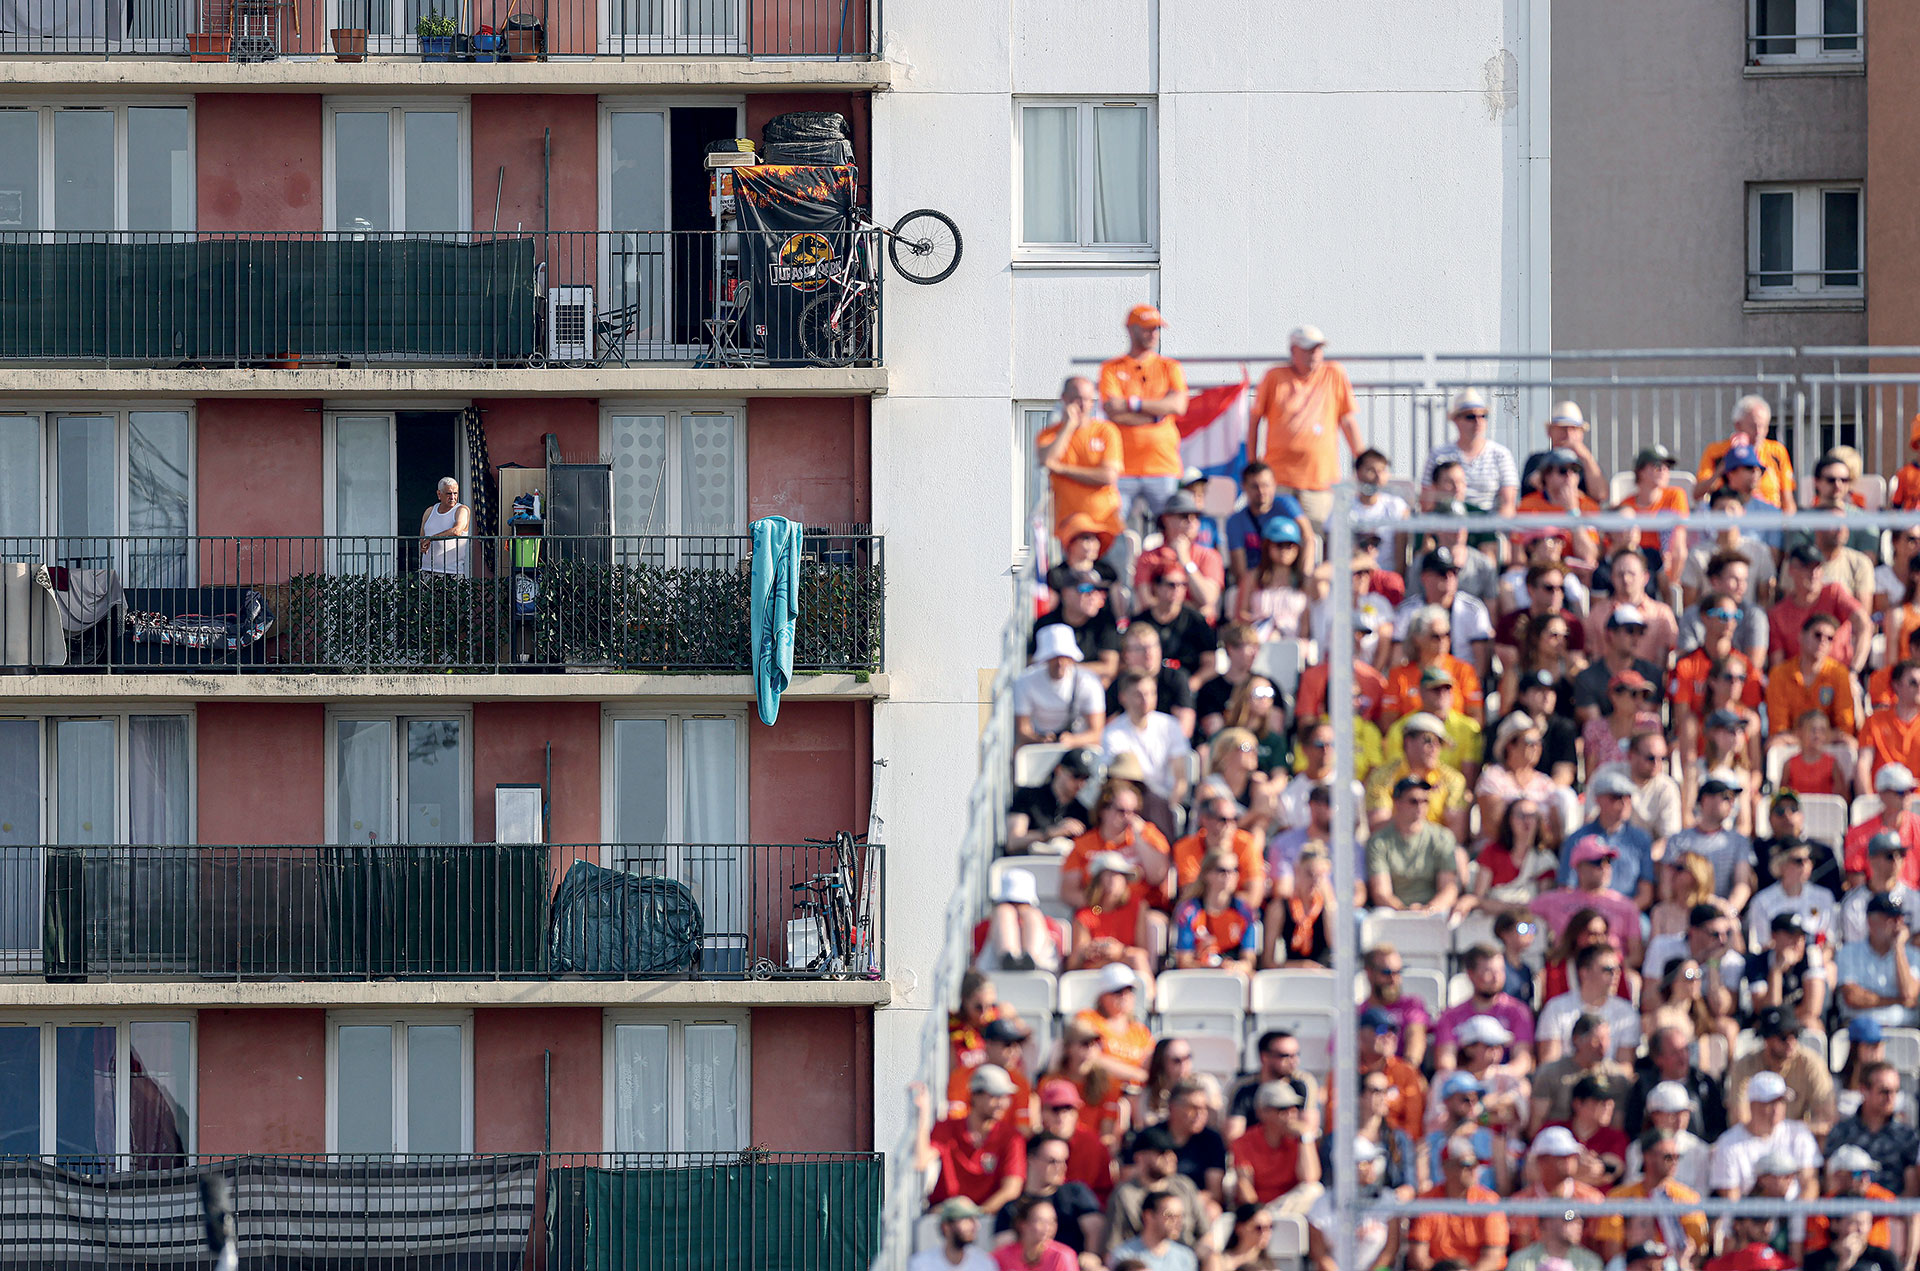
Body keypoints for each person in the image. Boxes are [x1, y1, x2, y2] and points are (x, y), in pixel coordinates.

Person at [1248, 326, 1362, 529]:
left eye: (1318, 349)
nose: (1315, 354)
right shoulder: (1274, 376)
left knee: (1318, 534)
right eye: (1309, 349)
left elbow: (1347, 421)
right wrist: (1252, 465)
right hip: (1279, 479)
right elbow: (1254, 420)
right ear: (1293, 351)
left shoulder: (1334, 373)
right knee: (1278, 535)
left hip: (1320, 481)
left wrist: (1362, 462)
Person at [1098, 305, 1190, 528]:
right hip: (1122, 466)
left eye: (1156, 328)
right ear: (1131, 329)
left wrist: (1132, 404)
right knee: (1112, 528)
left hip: (1162, 465)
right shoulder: (1111, 368)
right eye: (1147, 328)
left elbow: (1178, 406)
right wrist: (1157, 415)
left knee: (1172, 529)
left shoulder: (1169, 367)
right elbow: (1113, 411)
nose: (1153, 334)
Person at [923, 1065, 1029, 1215]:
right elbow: (921, 1160)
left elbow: (1012, 1189)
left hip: (987, 1219)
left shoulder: (1012, 1137)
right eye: (994, 1096)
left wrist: (974, 1215)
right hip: (945, 1215)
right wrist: (922, 1114)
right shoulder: (946, 1127)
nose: (1002, 1103)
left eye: (1005, 1097)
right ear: (974, 1096)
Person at [1039, 376, 1125, 547]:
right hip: (1070, 530)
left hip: (1107, 527)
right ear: (1064, 399)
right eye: (1077, 399)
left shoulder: (1105, 431)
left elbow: (1108, 476)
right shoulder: (1050, 434)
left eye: (1088, 399)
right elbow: (1047, 460)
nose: (1083, 405)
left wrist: (1062, 469)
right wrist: (1069, 427)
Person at [1709, 1070, 1822, 1201]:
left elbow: (1810, 1183)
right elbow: (1731, 1200)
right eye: (1769, 1102)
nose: (1776, 1108)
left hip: (1796, 1211)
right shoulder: (1728, 1144)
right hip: (1749, 1212)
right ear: (1753, 1105)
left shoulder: (1799, 1134)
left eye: (1781, 1101)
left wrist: (1796, 1212)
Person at [1060, 782, 1172, 911]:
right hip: (1098, 910)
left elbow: (1157, 877)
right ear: (1103, 810)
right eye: (1121, 811)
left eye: (1133, 812)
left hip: (1143, 910)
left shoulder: (1148, 834)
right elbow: (1068, 892)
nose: (1128, 817)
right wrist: (1101, 907)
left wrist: (1139, 838)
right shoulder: (1083, 844)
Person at [1395, 548, 1498, 689]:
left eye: (1454, 572)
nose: (1449, 578)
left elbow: (1481, 662)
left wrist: (1468, 691)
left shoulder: (1473, 609)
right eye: (1442, 573)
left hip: (1461, 682)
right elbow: (1398, 657)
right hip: (1418, 682)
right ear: (1424, 578)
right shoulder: (1408, 611)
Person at [996, 1133, 1105, 1265]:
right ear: (1031, 1159)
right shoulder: (1013, 1208)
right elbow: (1004, 1247)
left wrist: (1091, 1257)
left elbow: (1095, 1227)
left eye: (1064, 1161)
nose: (1061, 1167)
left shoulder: (1075, 1192)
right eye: (1053, 1161)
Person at [1531, 843, 1645, 967]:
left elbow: (1636, 956)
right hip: (1565, 969)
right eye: (1597, 862)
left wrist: (1609, 968)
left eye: (1608, 862)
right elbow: (1521, 913)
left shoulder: (1625, 905)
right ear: (1579, 867)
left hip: (1609, 970)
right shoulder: (1555, 900)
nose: (1604, 867)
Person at [1728, 1007, 1838, 1135]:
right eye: (1783, 1037)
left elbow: (1826, 1118)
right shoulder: (1745, 1065)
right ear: (1767, 1039)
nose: (1791, 1041)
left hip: (1798, 1140)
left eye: (1795, 1034)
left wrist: (1786, 1135)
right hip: (1755, 1140)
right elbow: (1739, 1119)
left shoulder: (1811, 1064)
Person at [1404, 1138, 1508, 1271]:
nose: (1474, 1169)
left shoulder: (1489, 1202)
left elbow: (1493, 1257)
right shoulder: (1427, 1202)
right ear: (1446, 1167)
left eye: (1476, 1164)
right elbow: (1419, 1257)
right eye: (1466, 1164)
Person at [1365, 714, 1473, 842]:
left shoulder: (1453, 780)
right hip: (1394, 846)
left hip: (1437, 847)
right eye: (1428, 740)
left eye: (1439, 742)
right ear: (1408, 742)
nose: (1435, 747)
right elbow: (1378, 826)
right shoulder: (1382, 777)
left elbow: (1456, 834)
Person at [1824, 1059, 1920, 1198]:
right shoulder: (1841, 1132)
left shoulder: (1906, 1136)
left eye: (1896, 1091)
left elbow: (1911, 1191)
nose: (1891, 1097)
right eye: (1884, 1091)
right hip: (1849, 1208)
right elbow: (1830, 1184)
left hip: (1892, 1208)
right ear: (1863, 1090)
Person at [1366, 776, 1462, 913]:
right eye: (1413, 801)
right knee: (1381, 915)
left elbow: (1449, 888)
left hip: (1434, 912)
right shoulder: (1378, 841)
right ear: (1397, 803)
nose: (1420, 807)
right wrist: (1405, 911)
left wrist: (1428, 910)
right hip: (1394, 913)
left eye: (1425, 801)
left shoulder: (1442, 837)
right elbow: (1381, 893)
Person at [1435, 945, 1538, 1070]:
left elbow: (1523, 1060)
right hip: (1462, 1079)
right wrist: (1470, 1078)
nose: (1496, 978)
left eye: (1500, 971)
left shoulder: (1518, 1012)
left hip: (1504, 1078)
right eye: (1488, 972)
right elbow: (1446, 1061)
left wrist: (1497, 1075)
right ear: (1471, 974)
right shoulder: (1450, 1016)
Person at [1584, 731, 1683, 861]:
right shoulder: (1606, 774)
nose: (1657, 764)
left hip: (1648, 856)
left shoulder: (1667, 788)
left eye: (1662, 759)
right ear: (1631, 755)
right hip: (1603, 852)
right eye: (1651, 758)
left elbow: (1669, 838)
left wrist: (1643, 860)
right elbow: (1590, 820)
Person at [1771, 546, 1872, 673]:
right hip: (1799, 680)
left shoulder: (1834, 593)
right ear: (1791, 570)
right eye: (1806, 567)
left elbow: (1864, 624)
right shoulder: (1778, 614)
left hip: (1840, 676)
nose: (1813, 573)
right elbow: (1778, 666)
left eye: (1817, 567)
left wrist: (1854, 670)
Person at [1460, 797, 1563, 921]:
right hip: (1492, 920)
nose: (1526, 821)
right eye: (1520, 815)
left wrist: (1507, 907)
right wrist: (1515, 907)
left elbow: (1543, 905)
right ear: (1509, 820)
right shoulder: (1492, 852)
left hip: (1528, 923)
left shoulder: (1545, 860)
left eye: (1532, 816)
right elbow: (1478, 899)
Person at [1505, 1125, 1603, 1253]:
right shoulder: (1521, 1204)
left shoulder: (1592, 1199)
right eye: (1561, 1155)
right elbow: (1522, 1250)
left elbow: (1596, 1248)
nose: (1569, 1160)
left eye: (1572, 1155)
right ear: (1541, 1160)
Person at [1537, 944, 1641, 1065]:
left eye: (1618, 969)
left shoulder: (1627, 1013)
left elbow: (1625, 1067)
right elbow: (1549, 1063)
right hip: (1565, 1075)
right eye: (1607, 970)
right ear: (1584, 973)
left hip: (1608, 1076)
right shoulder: (1555, 1008)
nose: (1615, 975)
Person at [1383, 603, 1488, 724]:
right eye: (1435, 636)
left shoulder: (1463, 670)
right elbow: (1388, 724)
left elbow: (1476, 719)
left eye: (1446, 635)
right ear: (1417, 639)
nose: (1442, 640)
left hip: (1454, 735)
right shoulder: (1399, 676)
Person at [1107, 1127, 1209, 1250]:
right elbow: (1113, 1245)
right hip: (1143, 1257)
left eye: (1172, 1152)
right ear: (1140, 1157)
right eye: (1162, 1153)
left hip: (1187, 1255)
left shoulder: (1184, 1186)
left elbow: (1205, 1233)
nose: (1171, 1158)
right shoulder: (1125, 1195)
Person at [1423, 388, 1520, 516]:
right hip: (1447, 522)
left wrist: (1496, 527)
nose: (1478, 421)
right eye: (1470, 416)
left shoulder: (1501, 455)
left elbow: (1508, 504)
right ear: (1456, 420)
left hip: (1489, 523)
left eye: (1483, 416)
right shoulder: (1438, 454)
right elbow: (1427, 502)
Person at [1305, 1139, 1399, 1271]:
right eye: (1365, 1163)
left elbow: (1390, 1250)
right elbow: (1320, 1255)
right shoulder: (1321, 1204)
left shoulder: (1387, 1200)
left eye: (1372, 1162)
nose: (1371, 1168)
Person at [1666, 774, 1756, 912]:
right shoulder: (1678, 841)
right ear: (1705, 800)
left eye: (1733, 799)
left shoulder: (1739, 841)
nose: (1732, 803)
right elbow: (1666, 888)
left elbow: (1742, 885)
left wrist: (1728, 912)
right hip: (1683, 912)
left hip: (1721, 913)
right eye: (1726, 797)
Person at [1231, 1081, 1323, 1215]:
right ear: (1262, 1112)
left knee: (1314, 1190)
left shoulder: (1301, 1139)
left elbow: (1309, 1178)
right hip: (1259, 1210)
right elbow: (1245, 1186)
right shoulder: (1244, 1142)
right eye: (1282, 1109)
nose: (1291, 1114)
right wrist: (1258, 1215)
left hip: (1291, 1208)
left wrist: (1305, 1137)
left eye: (1294, 1108)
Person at [1101, 672, 1191, 807]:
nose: (1145, 699)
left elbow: (1180, 778)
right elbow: (1119, 778)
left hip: (1165, 801)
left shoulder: (1171, 726)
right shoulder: (1112, 732)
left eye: (1151, 693)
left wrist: (1170, 808)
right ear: (1123, 697)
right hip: (1131, 802)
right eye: (1138, 694)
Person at [1624, 1030, 1730, 1145]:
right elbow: (1634, 1129)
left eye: (1685, 1049)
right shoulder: (1643, 1087)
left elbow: (1718, 1126)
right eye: (1674, 1052)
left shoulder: (1704, 1083)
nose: (1682, 1056)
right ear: (1658, 1058)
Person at [1134, 492, 1226, 624]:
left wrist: (1186, 561)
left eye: (1195, 517)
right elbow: (1146, 602)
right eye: (1184, 516)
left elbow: (1207, 599)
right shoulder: (1148, 558)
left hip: (1199, 629)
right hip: (1161, 626)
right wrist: (1186, 610)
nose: (1191, 521)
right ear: (1166, 519)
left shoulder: (1210, 556)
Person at [1697, 395, 1797, 512]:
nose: (1758, 432)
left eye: (1763, 426)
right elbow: (1698, 493)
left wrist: (1786, 521)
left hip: (1769, 516)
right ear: (1738, 425)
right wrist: (1725, 466)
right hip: (1729, 514)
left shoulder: (1777, 451)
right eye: (1753, 426)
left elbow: (1788, 500)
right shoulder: (1717, 451)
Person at [1070, 852, 1156, 987]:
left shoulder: (1137, 906)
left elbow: (1143, 952)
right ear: (1098, 880)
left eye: (1120, 875)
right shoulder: (1086, 914)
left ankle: (1149, 998)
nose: (1115, 880)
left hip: (1126, 965)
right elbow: (1073, 964)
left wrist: (1120, 951)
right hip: (1096, 971)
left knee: (1138, 958)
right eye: (1109, 874)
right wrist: (1089, 950)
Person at [1386, 665, 1485, 781]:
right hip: (1410, 787)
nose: (1442, 693)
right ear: (1421, 692)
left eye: (1447, 688)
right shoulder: (1400, 728)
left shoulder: (1468, 728)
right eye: (1435, 689)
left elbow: (1469, 775)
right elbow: (1396, 769)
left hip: (1453, 787)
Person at [1802, 1145, 1902, 1260]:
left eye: (1868, 1173)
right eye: (1858, 1173)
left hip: (1877, 1263)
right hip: (1838, 1264)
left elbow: (1907, 1213)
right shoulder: (1823, 1210)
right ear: (1838, 1175)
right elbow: (1817, 1256)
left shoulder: (1876, 1196)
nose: (1865, 1179)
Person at [1016, 626, 1108, 750]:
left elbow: (1097, 733)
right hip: (1038, 747)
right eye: (1054, 657)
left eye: (1065, 657)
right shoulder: (1025, 681)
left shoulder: (1089, 682)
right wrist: (1040, 739)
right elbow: (1023, 730)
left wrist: (1073, 741)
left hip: (1079, 748)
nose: (1060, 663)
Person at [1572, 607, 1667, 725]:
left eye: (1640, 632)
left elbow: (1644, 721)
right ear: (1610, 634)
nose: (1636, 637)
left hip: (1640, 736)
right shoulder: (1587, 678)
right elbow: (1594, 725)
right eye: (1630, 630)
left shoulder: (1652, 674)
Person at [1838, 893, 1920, 1029]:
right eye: (1891, 918)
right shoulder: (1848, 952)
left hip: (1903, 1030)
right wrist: (1897, 1001)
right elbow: (1852, 997)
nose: (1897, 924)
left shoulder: (1912, 955)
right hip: (1860, 1031)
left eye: (1900, 918)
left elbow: (1909, 994)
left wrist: (1899, 948)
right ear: (1870, 921)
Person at [1682, 494, 1778, 611]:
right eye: (1720, 509)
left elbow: (1766, 599)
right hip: (1709, 619)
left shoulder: (1759, 551)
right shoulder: (1697, 554)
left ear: (1742, 512)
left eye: (1732, 508)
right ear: (1711, 514)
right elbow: (1690, 604)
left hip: (1747, 618)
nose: (1726, 514)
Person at [1170, 851, 1259, 975]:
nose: (1229, 876)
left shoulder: (1245, 911)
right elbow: (1184, 962)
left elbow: (1249, 961)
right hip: (1199, 976)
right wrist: (1214, 970)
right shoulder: (1188, 911)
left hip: (1233, 975)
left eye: (1235, 870)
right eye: (1222, 871)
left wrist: (1234, 967)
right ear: (1207, 874)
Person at [1128, 568, 1218, 689]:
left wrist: (1192, 684)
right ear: (1156, 586)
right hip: (1146, 685)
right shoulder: (1140, 620)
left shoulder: (1197, 621)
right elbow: (1125, 659)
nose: (1177, 589)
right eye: (1171, 584)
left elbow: (1212, 662)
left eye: (1182, 585)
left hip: (1188, 684)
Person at [1586, 552, 1678, 670]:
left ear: (1645, 577)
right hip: (1606, 679)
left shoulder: (1661, 615)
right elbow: (1587, 651)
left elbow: (1672, 654)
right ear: (1612, 577)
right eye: (1620, 574)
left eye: (1631, 574)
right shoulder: (1598, 613)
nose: (1626, 579)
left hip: (1649, 679)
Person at [1745, 911, 1831, 1035]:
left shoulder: (1811, 956)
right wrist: (1777, 970)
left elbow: (1812, 1009)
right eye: (1791, 935)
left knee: (1811, 1024)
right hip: (1770, 1024)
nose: (1797, 942)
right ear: (1774, 936)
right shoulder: (1757, 963)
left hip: (1799, 1020)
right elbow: (1767, 1010)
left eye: (1801, 937)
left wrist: (1786, 1021)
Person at [1225, 462, 1309, 589]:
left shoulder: (1287, 505)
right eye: (1255, 486)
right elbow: (1240, 570)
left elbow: (1308, 537)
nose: (1261, 491)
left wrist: (1304, 579)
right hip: (1256, 582)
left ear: (1274, 484)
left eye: (1266, 485)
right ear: (1244, 487)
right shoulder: (1235, 521)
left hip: (1289, 579)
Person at [1033, 569, 1124, 684]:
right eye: (1086, 589)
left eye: (1098, 590)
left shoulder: (1105, 623)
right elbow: (1033, 663)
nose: (1094, 596)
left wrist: (1066, 669)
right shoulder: (1046, 624)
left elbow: (1109, 668)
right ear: (1065, 593)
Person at [1107, 625, 1197, 742]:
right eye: (1139, 648)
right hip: (1130, 744)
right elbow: (1108, 726)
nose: (1148, 653)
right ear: (1127, 655)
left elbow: (1185, 727)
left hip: (1169, 745)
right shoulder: (1120, 685)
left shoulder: (1176, 678)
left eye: (1153, 646)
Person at [1228, 1030, 1322, 1141]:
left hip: (1291, 1149)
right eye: (1285, 1056)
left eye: (1296, 1054)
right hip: (1251, 1149)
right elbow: (1233, 1137)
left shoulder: (1303, 1083)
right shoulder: (1243, 1087)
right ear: (1264, 1057)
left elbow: (1309, 1132)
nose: (1294, 1061)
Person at [1072, 963, 1154, 1087]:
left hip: (1134, 1093)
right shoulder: (1088, 1019)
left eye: (1129, 990)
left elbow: (1151, 1066)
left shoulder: (1140, 1031)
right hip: (1096, 1090)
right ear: (1102, 996)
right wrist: (1137, 1075)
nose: (1124, 996)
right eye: (1118, 991)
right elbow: (1089, 1057)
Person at [1234, 516, 1315, 639]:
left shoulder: (1304, 581)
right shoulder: (1253, 577)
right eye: (1279, 544)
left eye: (1290, 545)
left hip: (1294, 642)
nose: (1284, 550)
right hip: (1259, 640)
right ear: (1267, 546)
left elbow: (1306, 621)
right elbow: (1240, 614)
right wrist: (1259, 621)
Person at [1036, 1080, 1115, 1203]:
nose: (1061, 1116)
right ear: (1042, 1112)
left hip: (1085, 1207)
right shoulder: (1033, 1145)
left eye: (1068, 1108)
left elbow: (1102, 1190)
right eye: (1055, 1109)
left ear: (1076, 1112)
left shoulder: (1092, 1143)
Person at [1007, 749, 1096, 856]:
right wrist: (1051, 833)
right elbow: (1013, 842)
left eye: (1085, 778)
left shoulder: (1083, 813)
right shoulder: (1029, 797)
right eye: (1076, 776)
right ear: (1059, 770)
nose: (1080, 783)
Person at [977, 870, 1066, 975]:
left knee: (1028, 915)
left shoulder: (988, 925)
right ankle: (1011, 958)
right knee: (1006, 913)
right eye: (1011, 904)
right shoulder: (1049, 924)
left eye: (1021, 905)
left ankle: (1027, 959)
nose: (1016, 909)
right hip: (1034, 974)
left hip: (1034, 969)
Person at [1362, 943, 1435, 1067]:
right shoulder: (1358, 1012)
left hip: (1403, 1073)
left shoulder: (1412, 1006)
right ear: (1369, 973)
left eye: (1398, 972)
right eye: (1386, 972)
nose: (1394, 979)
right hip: (1367, 1075)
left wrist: (1405, 1070)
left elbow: (1415, 1038)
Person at [1839, 833, 1920, 945]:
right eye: (1890, 856)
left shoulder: (1914, 898)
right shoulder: (1853, 903)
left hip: (1905, 955)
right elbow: (1853, 948)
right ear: (1871, 859)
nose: (1896, 860)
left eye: (1901, 854)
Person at [1845, 768, 1920, 882]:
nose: (1907, 796)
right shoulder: (1858, 834)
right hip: (1874, 892)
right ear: (1882, 794)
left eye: (1911, 790)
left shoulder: (1917, 826)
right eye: (1900, 792)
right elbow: (1857, 882)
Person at [1522, 400, 1606, 500]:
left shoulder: (1587, 465)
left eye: (1574, 429)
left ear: (1582, 434)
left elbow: (1600, 495)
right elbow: (1533, 485)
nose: (1568, 434)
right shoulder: (1537, 460)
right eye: (1563, 428)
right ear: (1550, 432)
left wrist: (1586, 457)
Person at [1860, 661, 1920, 796]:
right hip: (1881, 800)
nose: (1919, 687)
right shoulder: (1874, 721)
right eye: (1913, 683)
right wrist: (1868, 802)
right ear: (1896, 685)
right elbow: (1863, 764)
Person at [1108, 1189, 1200, 1271]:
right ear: (1148, 1216)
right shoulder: (1123, 1256)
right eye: (1170, 1215)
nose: (1178, 1222)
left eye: (1180, 1216)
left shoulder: (1186, 1257)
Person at [992, 1196, 1077, 1271]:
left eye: (1052, 1221)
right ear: (1022, 1224)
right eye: (1040, 1221)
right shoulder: (1002, 1255)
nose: (1048, 1227)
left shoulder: (1062, 1255)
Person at [913, 1197, 998, 1271]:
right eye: (967, 1219)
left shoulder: (984, 1263)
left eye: (975, 1219)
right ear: (946, 1227)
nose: (976, 1226)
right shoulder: (922, 1264)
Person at [1507, 1209, 1602, 1271]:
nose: (1578, 1223)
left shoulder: (1590, 1262)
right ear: (1547, 1223)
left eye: (1580, 1219)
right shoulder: (1520, 1261)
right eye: (1569, 1218)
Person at [1803, 1210, 1900, 1271]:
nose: (1861, 1229)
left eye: (1866, 1222)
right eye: (1854, 1223)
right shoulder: (1815, 1260)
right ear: (1835, 1224)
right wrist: (1845, 1262)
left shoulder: (1884, 1257)